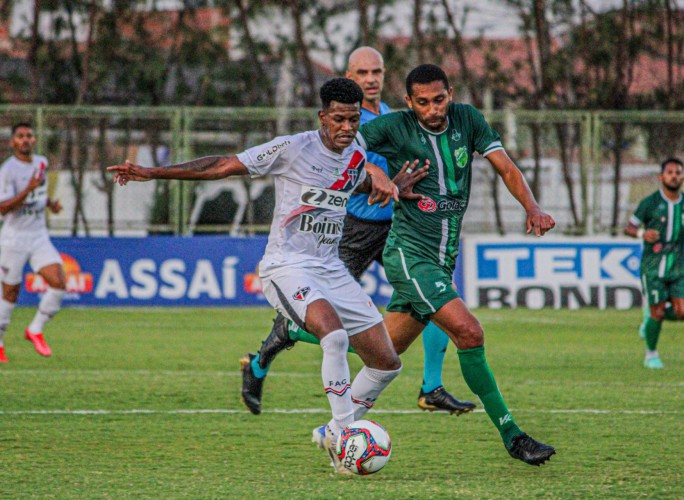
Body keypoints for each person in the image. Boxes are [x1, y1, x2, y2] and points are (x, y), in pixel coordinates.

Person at [109, 78, 421, 474]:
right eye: (339, 119)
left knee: (386, 363)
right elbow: (222, 165)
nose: (347, 128)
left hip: (330, 268)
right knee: (336, 335)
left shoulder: (357, 150)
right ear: (322, 117)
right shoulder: (292, 148)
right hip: (286, 266)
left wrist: (389, 184)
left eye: (354, 120)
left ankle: (332, 430)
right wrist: (153, 172)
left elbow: (349, 184)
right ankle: (344, 436)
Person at [241, 46, 476, 416]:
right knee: (316, 316)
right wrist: (375, 174)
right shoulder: (344, 119)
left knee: (437, 294)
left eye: (377, 72)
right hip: (351, 226)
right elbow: (338, 162)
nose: (370, 79)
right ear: (350, 78)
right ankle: (263, 358)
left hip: (396, 225)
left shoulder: (397, 116)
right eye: (362, 73)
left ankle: (431, 386)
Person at [348, 64, 557, 466]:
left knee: (381, 351)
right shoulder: (394, 126)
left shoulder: (468, 120)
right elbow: (340, 148)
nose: (432, 110)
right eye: (422, 102)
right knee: (469, 331)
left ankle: (328, 415)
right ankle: (513, 436)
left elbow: (506, 167)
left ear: (451, 93)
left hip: (442, 258)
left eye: (439, 99)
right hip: (409, 254)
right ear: (409, 102)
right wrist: (374, 171)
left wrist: (532, 207)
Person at [625, 158, 684, 369]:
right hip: (652, 267)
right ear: (661, 177)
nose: (674, 176)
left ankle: (649, 323)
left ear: (683, 177)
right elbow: (629, 228)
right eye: (670, 172)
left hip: (677, 267)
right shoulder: (649, 203)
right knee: (657, 310)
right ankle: (651, 354)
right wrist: (642, 233)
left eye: (678, 172)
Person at [0, 123, 66, 363]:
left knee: (58, 282)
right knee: (10, 293)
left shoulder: (42, 163)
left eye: (29, 135)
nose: (25, 139)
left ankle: (35, 329)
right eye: (20, 136)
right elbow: (3, 207)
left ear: (34, 139)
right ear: (13, 142)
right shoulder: (7, 170)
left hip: (39, 235)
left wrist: (50, 204)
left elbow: (39, 193)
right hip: (13, 238)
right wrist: (27, 190)